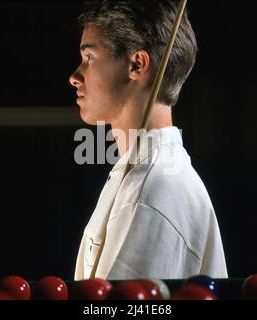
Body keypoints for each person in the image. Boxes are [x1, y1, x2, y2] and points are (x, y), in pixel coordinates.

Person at [69, 0, 228, 280]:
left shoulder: (156, 187)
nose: (75, 77)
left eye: (89, 58)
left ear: (137, 65)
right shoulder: (135, 175)